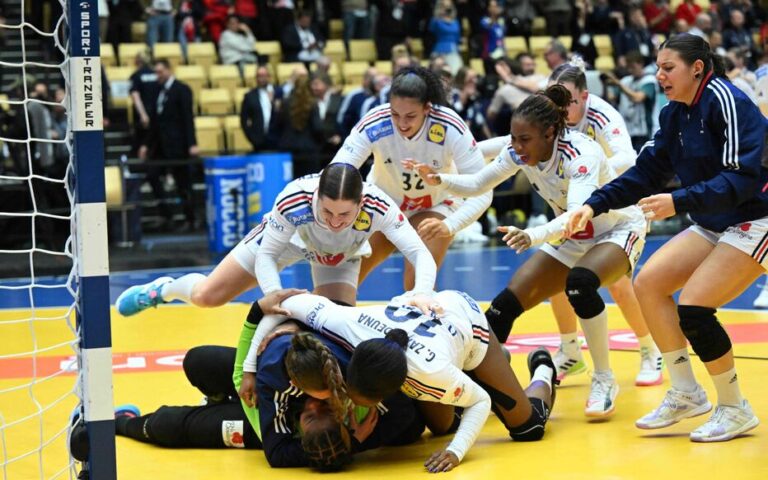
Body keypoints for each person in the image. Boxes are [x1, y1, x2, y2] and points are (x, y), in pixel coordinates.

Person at [567, 33, 764, 442]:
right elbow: (645, 171)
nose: (659, 75)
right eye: (658, 68)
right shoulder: (674, 113)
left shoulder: (725, 100)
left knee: (694, 306)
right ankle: (686, 393)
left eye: (667, 67)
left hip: (757, 217)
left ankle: (734, 408)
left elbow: (742, 179)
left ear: (697, 68)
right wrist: (594, 203)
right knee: (649, 284)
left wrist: (679, 200)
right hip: (715, 219)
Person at [410, 85, 648, 418]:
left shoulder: (582, 154)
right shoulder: (518, 151)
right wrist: (438, 179)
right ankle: (476, 389)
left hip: (617, 227)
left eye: (524, 139)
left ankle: (605, 379)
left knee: (579, 283)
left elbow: (575, 216)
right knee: (503, 308)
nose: (516, 147)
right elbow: (479, 183)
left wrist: (533, 235)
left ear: (550, 133)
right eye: (513, 138)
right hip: (576, 234)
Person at [478, 58, 663, 387]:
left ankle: (650, 350)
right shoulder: (544, 124)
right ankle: (571, 351)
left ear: (585, 96)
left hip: (609, 209)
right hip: (567, 210)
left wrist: (589, 172)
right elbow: (508, 145)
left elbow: (628, 159)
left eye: (572, 100)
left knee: (613, 285)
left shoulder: (602, 117)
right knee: (559, 283)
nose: (565, 107)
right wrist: (464, 153)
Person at [245, 288, 558, 473]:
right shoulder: (344, 323)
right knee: (441, 425)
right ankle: (486, 374)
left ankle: (544, 370)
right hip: (422, 327)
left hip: (467, 326)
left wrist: (456, 450)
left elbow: (480, 401)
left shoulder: (429, 373)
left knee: (527, 428)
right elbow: (281, 302)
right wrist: (270, 344)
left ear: (396, 391)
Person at [111, 291, 425, 470]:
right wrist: (355, 443)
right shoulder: (275, 374)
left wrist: (351, 445)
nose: (315, 404)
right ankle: (216, 400)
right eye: (324, 407)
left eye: (310, 415)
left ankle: (122, 422)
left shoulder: (364, 395)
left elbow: (276, 453)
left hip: (265, 422)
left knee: (172, 426)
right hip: (268, 393)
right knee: (199, 361)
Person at [116, 164, 437, 316]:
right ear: (316, 198)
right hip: (287, 243)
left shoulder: (378, 204)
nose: (336, 222)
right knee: (207, 297)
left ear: (361, 204)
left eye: (345, 215)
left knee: (332, 323)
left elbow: (419, 252)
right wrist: (273, 296)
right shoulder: (293, 200)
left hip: (339, 257)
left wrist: (422, 292)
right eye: (328, 213)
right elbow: (267, 257)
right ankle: (164, 289)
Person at [332, 66, 492, 292]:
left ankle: (421, 321)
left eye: (410, 116)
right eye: (395, 114)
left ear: (427, 108)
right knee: (344, 277)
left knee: (418, 277)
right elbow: (339, 171)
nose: (402, 123)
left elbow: (483, 190)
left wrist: (449, 225)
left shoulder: (450, 125)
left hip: (437, 204)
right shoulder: (375, 122)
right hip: (384, 202)